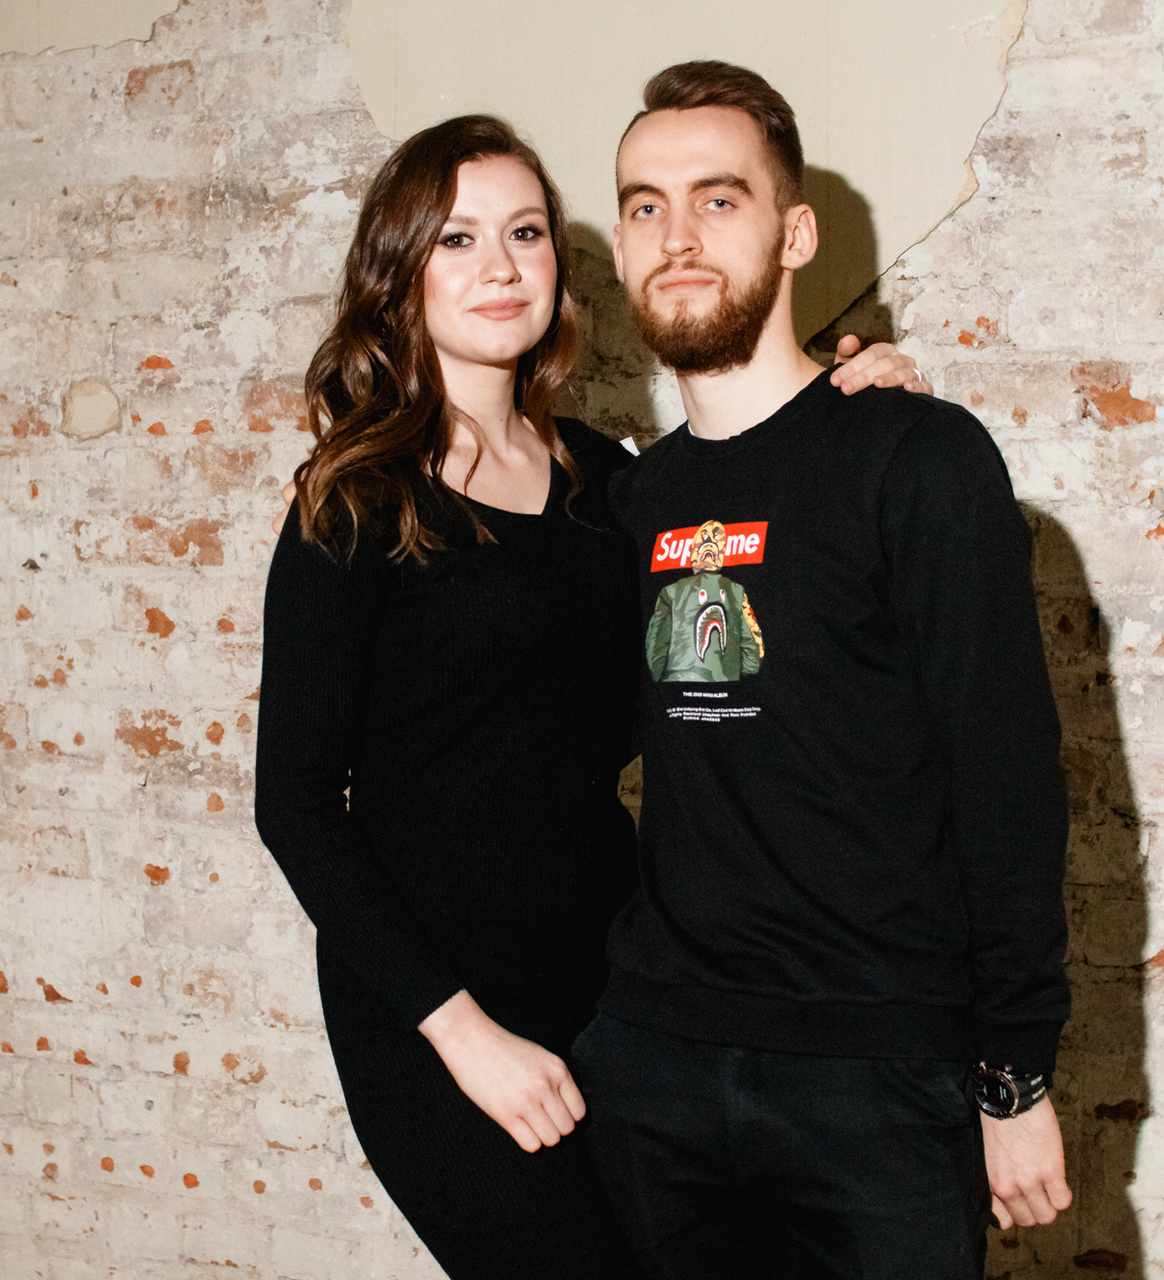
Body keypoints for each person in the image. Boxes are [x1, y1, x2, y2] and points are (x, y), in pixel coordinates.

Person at [252, 112, 928, 1279]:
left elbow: (733, 589)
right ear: (399, 270)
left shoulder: (605, 480)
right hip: (437, 1006)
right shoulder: (355, 498)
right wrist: (466, 1036)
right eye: (457, 239)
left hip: (620, 978)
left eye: (526, 232)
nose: (501, 265)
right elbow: (296, 803)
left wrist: (850, 400)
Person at [568, 61, 1073, 1279]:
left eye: (718, 199)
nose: (677, 237)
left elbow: (1005, 778)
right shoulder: (626, 500)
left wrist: (1013, 1075)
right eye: (645, 206)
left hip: (875, 1079)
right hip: (658, 1068)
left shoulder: (916, 457)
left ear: (794, 234)